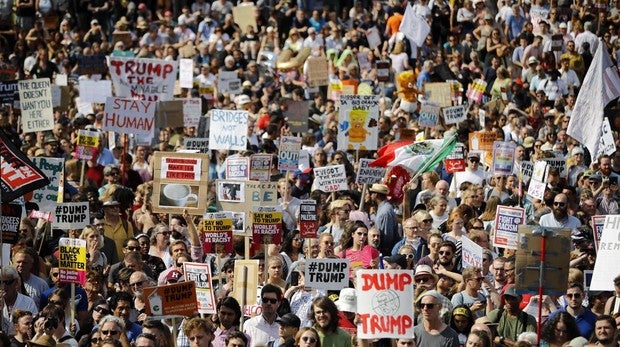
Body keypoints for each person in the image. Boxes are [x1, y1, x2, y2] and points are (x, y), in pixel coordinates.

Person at [369, 183, 399, 256]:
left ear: (376, 195)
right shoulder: (383, 208)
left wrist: (384, 252)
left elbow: (386, 236)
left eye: (372, 193)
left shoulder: (385, 212)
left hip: (385, 252)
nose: (370, 195)